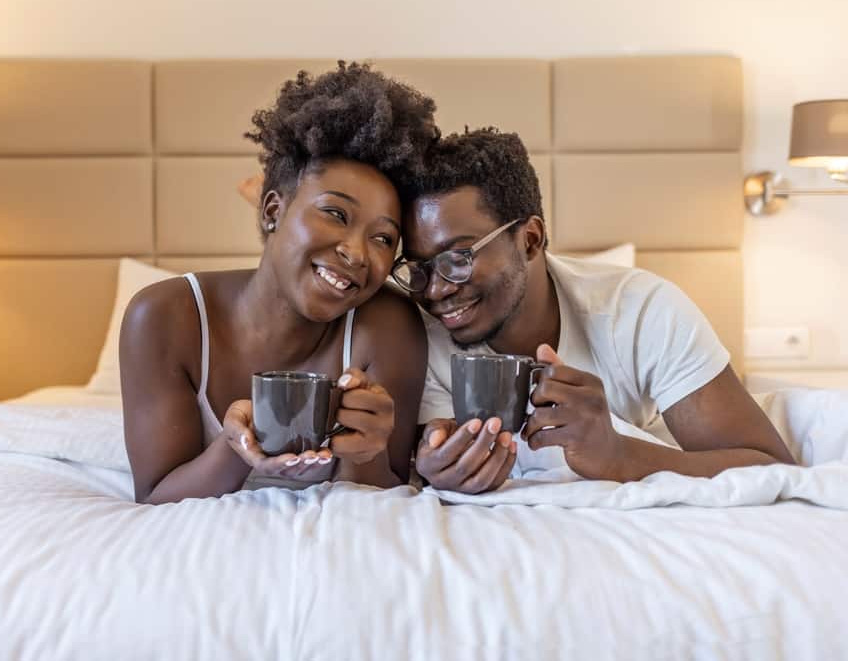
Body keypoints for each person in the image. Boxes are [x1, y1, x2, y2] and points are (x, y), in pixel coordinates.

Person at [393, 128, 795, 494]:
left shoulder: (638, 313)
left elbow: (771, 467)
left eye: (459, 257)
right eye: (419, 268)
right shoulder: (417, 337)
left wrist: (617, 456)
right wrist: (435, 467)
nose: (435, 289)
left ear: (530, 239)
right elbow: (431, 447)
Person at [121, 62, 439, 504]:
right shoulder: (164, 318)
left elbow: (381, 497)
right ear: (272, 211)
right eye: (335, 213)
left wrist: (369, 451)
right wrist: (240, 448)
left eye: (383, 238)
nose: (357, 252)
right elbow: (156, 494)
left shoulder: (387, 326)